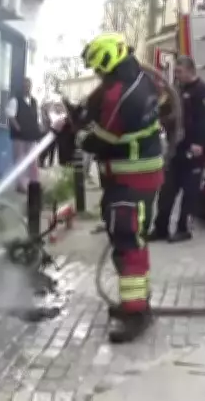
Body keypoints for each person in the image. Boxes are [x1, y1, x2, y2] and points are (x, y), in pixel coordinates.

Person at [63, 32, 164, 343]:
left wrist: (77, 133)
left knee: (128, 241)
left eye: (99, 70)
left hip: (129, 179)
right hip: (140, 176)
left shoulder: (119, 96)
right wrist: (84, 112)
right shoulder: (139, 78)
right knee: (130, 240)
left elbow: (101, 139)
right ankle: (138, 304)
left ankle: (135, 314)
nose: (98, 75)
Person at [149, 55, 205, 243]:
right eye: (175, 72)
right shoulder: (177, 91)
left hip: (193, 149)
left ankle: (183, 229)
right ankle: (160, 228)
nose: (176, 75)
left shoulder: (203, 91)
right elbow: (173, 115)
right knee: (167, 191)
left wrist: (199, 144)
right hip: (176, 149)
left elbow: (203, 120)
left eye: (179, 71)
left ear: (190, 70)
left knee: (189, 192)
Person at [5, 77, 44, 192]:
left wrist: (38, 130)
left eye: (28, 85)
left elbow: (36, 118)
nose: (27, 87)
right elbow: (10, 115)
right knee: (20, 161)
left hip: (31, 136)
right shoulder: (15, 100)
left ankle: (34, 184)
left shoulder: (34, 102)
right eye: (25, 86)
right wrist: (18, 128)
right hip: (20, 137)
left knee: (32, 161)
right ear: (22, 87)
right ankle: (21, 185)